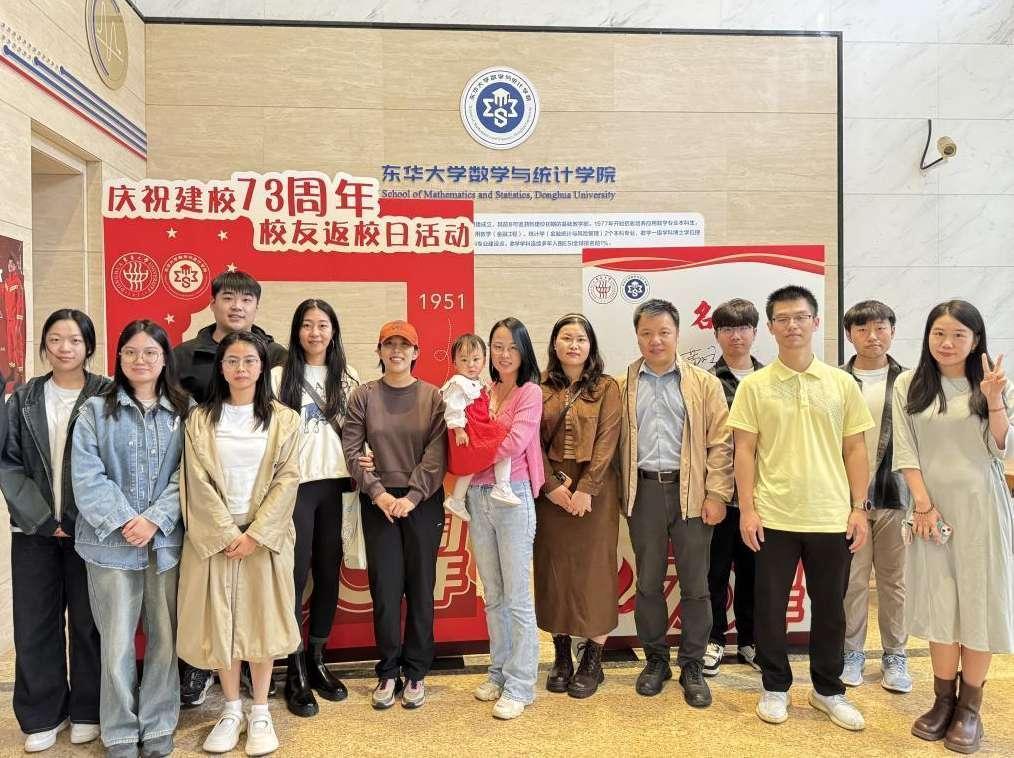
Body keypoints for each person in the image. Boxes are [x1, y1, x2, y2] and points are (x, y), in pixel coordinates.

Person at [727, 285, 873, 731]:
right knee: (769, 607)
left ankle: (828, 690)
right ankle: (775, 686)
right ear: (770, 328)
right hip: (774, 516)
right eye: (783, 319)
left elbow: (855, 449)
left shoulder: (841, 383)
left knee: (830, 608)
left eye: (800, 317)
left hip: (832, 516)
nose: (792, 325)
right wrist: (747, 509)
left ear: (815, 322)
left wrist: (859, 508)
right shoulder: (754, 386)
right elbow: (744, 451)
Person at [893, 300, 1013, 754]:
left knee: (979, 603)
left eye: (959, 334)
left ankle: (969, 709)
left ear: (976, 339)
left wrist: (995, 399)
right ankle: (943, 701)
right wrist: (923, 505)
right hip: (931, 512)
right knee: (940, 602)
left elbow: (1001, 447)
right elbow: (905, 450)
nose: (947, 343)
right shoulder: (909, 384)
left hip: (982, 508)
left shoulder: (991, 384)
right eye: (939, 333)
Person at [177, 331, 301, 756]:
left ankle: (261, 710)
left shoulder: (285, 420)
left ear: (263, 367)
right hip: (215, 537)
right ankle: (231, 709)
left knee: (262, 622)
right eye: (232, 360)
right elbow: (195, 480)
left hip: (264, 538)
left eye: (250, 360)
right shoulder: (200, 419)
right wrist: (227, 533)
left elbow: (288, 479)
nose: (241, 368)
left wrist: (256, 534)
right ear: (221, 367)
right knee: (221, 624)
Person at [71, 320, 189, 758]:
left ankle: (158, 724)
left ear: (164, 359)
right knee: (116, 642)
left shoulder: (185, 411)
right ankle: (120, 731)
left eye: (150, 352)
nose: (141, 360)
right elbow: (87, 477)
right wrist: (125, 520)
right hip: (109, 546)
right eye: (131, 352)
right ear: (118, 357)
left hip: (165, 544)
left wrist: (155, 520)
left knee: (165, 640)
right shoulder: (94, 411)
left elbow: (191, 475)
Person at [172, 269, 287, 705]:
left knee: (261, 605)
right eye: (228, 297)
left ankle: (258, 692)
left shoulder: (277, 356)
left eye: (246, 299)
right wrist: (220, 529)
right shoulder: (183, 357)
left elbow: (286, 461)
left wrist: (257, 530)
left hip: (258, 509)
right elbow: (185, 448)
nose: (237, 306)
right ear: (213, 302)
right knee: (209, 603)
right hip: (203, 501)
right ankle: (204, 676)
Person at [1, 310, 108, 752]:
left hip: (93, 530)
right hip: (34, 531)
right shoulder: (23, 398)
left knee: (89, 621)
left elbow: (115, 463)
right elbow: (8, 463)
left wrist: (82, 516)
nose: (65, 348)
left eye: (75, 340)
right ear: (44, 344)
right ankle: (43, 714)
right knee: (36, 622)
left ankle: (88, 709)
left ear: (89, 346)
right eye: (56, 339)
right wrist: (43, 518)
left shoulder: (107, 394)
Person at [617, 298, 733, 708]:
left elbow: (721, 443)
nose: (656, 340)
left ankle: (692, 664)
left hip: (693, 493)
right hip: (644, 492)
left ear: (677, 334)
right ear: (637, 336)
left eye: (664, 332)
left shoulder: (704, 383)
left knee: (696, 585)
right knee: (648, 582)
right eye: (647, 333)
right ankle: (655, 660)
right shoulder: (621, 385)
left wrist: (717, 494)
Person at [342, 320, 447, 711]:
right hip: (379, 503)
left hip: (423, 502)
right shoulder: (363, 396)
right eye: (390, 344)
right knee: (385, 590)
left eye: (405, 345)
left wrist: (414, 496)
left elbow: (437, 453)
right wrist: (379, 493)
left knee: (420, 589)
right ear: (380, 351)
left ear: (416, 352)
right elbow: (352, 449)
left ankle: (416, 672)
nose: (397, 351)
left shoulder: (433, 397)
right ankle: (388, 671)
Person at [272, 299, 359, 716]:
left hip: (337, 486)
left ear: (333, 331)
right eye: (307, 325)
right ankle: (294, 667)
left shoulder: (349, 376)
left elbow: (360, 431)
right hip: (295, 489)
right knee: (293, 576)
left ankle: (317, 658)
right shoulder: (277, 377)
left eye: (323, 325)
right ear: (297, 331)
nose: (315, 333)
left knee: (328, 572)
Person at [535, 314, 621, 699]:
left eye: (581, 339)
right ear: (554, 344)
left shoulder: (607, 387)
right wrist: (551, 486)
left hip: (595, 493)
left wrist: (587, 488)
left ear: (591, 346)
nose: (573, 345)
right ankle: (561, 656)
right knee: (555, 571)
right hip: (550, 492)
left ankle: (593, 661)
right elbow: (529, 443)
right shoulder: (537, 388)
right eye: (566, 338)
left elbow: (608, 440)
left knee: (594, 573)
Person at [467, 317, 544, 720]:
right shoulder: (483, 390)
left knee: (517, 597)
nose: (504, 354)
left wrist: (473, 452)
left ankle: (521, 684)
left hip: (513, 496)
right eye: (497, 346)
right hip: (478, 495)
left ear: (524, 351)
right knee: (493, 594)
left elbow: (515, 442)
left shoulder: (530, 392)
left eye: (512, 347)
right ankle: (498, 671)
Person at [839, 300, 912, 693]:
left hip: (894, 496)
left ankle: (895, 656)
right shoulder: (835, 380)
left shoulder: (910, 381)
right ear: (850, 335)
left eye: (881, 328)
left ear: (892, 332)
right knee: (852, 581)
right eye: (863, 329)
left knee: (893, 582)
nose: (872, 336)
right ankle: (852, 653)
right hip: (847, 500)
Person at [705, 298, 764, 677]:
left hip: (762, 498)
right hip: (721, 495)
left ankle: (750, 640)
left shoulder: (770, 379)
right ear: (716, 334)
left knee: (754, 574)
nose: (736, 336)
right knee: (714, 572)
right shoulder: (707, 381)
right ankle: (713, 639)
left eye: (743, 328)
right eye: (727, 328)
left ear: (755, 332)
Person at [441, 333, 515, 522]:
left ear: (484, 360)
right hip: (470, 430)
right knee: (502, 443)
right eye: (464, 360)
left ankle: (457, 499)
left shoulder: (477, 382)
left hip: (478, 426)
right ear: (454, 363)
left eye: (476, 359)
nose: (471, 365)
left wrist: (489, 411)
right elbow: (453, 408)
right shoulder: (457, 384)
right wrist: (459, 431)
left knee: (473, 465)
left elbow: (483, 400)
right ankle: (502, 486)